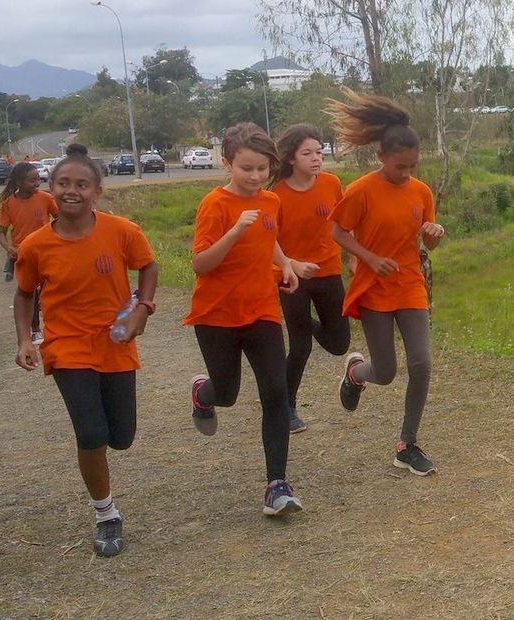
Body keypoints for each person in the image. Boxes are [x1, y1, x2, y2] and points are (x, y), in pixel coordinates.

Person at [12, 146, 158, 558]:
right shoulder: (36, 246)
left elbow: (148, 267)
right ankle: (106, 514)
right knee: (91, 433)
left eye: (81, 184)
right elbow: (24, 295)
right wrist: (26, 339)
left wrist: (141, 310)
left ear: (97, 191)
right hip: (66, 346)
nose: (71, 190)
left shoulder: (121, 231)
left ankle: (106, 488)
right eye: (63, 183)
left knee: (122, 437)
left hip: (114, 343)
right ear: (51, 188)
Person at [184, 122, 303, 516]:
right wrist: (234, 230)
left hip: (262, 312)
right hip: (216, 315)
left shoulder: (271, 203)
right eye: (246, 168)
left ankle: (277, 485)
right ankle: (204, 394)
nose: (255, 176)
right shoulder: (214, 205)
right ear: (227, 163)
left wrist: (285, 265)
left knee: (275, 393)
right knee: (229, 393)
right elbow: (201, 264)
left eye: (262, 169)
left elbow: (269, 240)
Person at [327, 88, 445, 476]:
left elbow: (426, 240)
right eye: (400, 166)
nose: (406, 173)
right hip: (374, 287)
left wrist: (434, 232)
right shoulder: (361, 190)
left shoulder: (421, 192)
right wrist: (370, 258)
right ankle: (355, 373)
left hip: (410, 284)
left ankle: (406, 444)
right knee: (386, 371)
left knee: (422, 364)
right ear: (381, 156)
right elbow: (338, 233)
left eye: (412, 166)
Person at [273, 124, 350, 434]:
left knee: (339, 344)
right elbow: (268, 241)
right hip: (290, 275)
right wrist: (291, 264)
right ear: (291, 158)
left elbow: (345, 223)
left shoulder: (332, 184)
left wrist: (355, 257)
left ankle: (308, 324)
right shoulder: (275, 194)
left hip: (328, 271)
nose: (316, 158)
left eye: (319, 152)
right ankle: (287, 407)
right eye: (308, 153)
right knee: (301, 344)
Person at [0, 163, 58, 344]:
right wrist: (8, 248)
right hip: (23, 254)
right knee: (30, 292)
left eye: (38, 179)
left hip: (47, 252)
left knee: (49, 289)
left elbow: (61, 219)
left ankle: (54, 326)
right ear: (18, 182)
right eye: (32, 180)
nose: (37, 183)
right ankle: (35, 329)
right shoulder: (9, 204)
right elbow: (1, 233)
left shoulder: (45, 199)